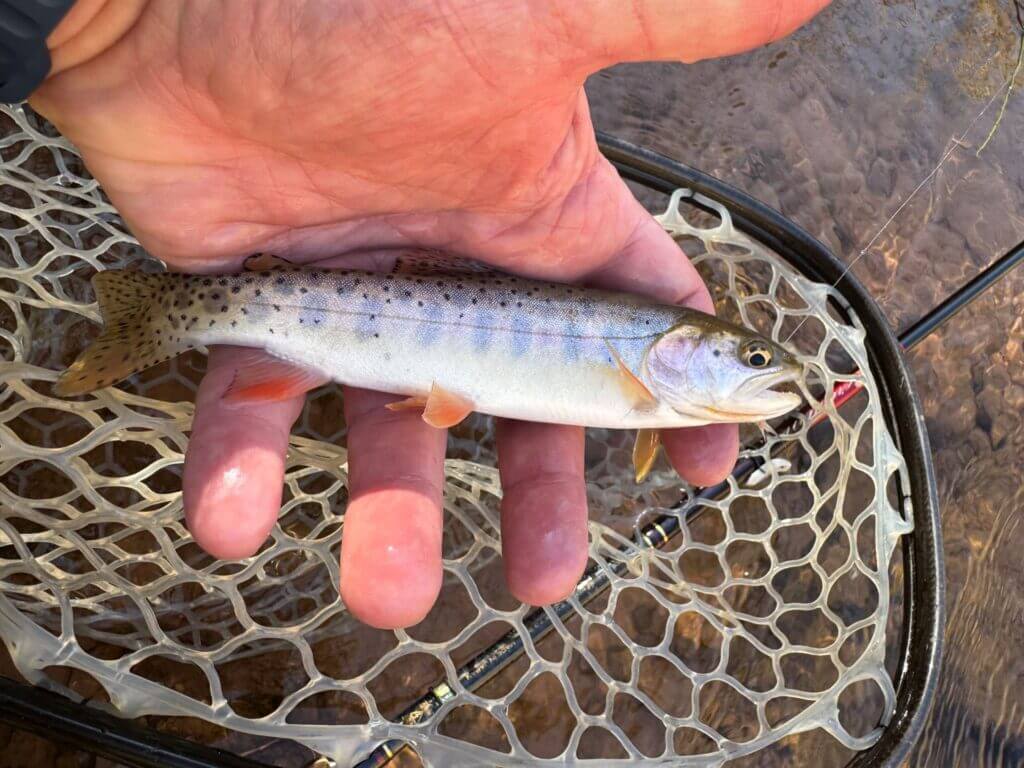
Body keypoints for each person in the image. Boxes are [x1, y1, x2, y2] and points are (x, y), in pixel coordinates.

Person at [30, 0, 830, 629]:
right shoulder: (645, 379)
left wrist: (108, 20)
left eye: (756, 360)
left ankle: (163, 313)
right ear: (684, 345)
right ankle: (168, 313)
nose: (765, 372)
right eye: (754, 359)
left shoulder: (657, 391)